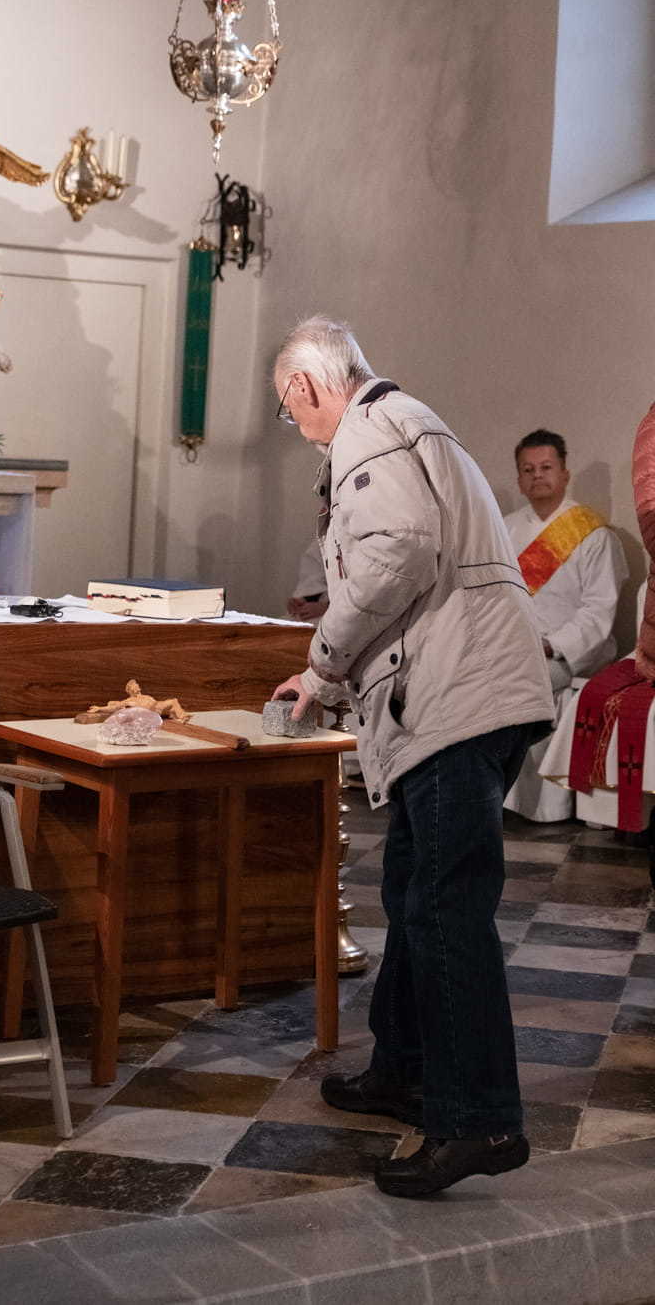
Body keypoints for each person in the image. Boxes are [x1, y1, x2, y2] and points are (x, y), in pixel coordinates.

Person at [271, 316, 553, 1198]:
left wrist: (322, 662)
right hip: (467, 692)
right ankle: (404, 1069)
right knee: (413, 890)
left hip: (457, 697)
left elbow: (396, 554)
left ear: (307, 386)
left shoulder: (369, 431)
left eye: (288, 409)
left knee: (444, 907)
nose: (296, 425)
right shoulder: (403, 420)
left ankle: (478, 1120)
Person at [503, 430, 627, 821]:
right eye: (528, 470)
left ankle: (539, 805)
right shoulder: (503, 530)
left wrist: (550, 645)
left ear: (564, 474)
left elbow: (598, 611)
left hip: (570, 653)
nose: (537, 475)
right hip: (515, 647)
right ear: (519, 479)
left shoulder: (592, 534)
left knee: (523, 683)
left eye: (546, 467)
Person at [286, 538, 327, 622]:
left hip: (343, 615)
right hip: (317, 612)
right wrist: (301, 600)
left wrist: (326, 607)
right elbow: (312, 581)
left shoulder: (354, 546)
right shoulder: (320, 543)